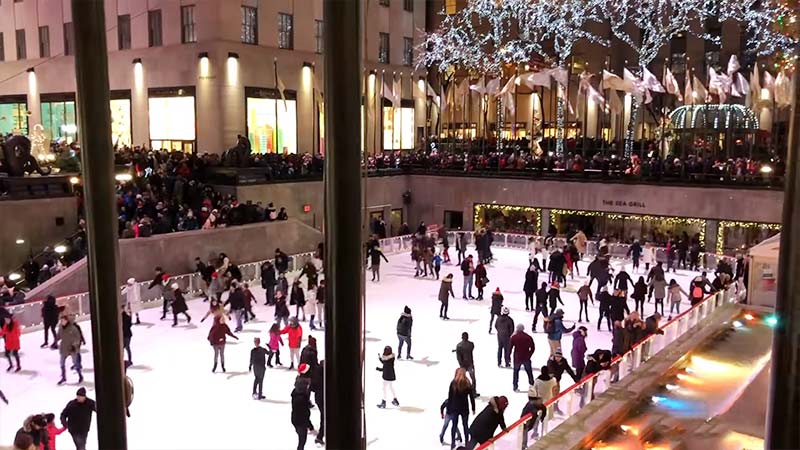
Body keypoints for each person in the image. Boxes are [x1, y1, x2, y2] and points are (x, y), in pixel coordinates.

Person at [443, 368, 476, 448]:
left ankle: (453, 443)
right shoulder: (467, 383)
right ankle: (467, 442)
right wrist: (473, 408)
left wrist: (449, 409)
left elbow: (450, 397)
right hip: (464, 408)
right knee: (465, 425)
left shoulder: (453, 383)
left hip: (455, 408)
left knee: (454, 426)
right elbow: (471, 397)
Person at [546, 350, 578, 415]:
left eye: (559, 357)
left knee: (556, 394)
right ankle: (550, 409)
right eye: (556, 357)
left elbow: (568, 369)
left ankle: (555, 407)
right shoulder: (550, 362)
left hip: (557, 380)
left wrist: (575, 378)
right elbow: (553, 372)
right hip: (550, 380)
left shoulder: (563, 361)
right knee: (551, 394)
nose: (558, 358)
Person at [57, 314, 84, 385]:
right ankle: (63, 377)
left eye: (63, 320)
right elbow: (59, 336)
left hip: (72, 349)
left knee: (76, 363)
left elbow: (78, 338)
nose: (62, 322)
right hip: (64, 348)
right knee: (62, 363)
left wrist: (74, 345)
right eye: (61, 321)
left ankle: (80, 375)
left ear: (66, 321)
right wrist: (55, 341)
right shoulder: (60, 328)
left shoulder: (73, 328)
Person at [290, 370, 313, 450]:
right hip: (300, 422)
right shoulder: (301, 399)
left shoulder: (296, 394)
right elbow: (304, 414)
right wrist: (309, 425)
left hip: (296, 420)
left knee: (301, 440)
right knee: (302, 441)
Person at [509, 324, 534, 392]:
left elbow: (510, 348)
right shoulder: (528, 337)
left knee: (516, 372)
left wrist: (508, 357)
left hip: (517, 357)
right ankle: (532, 384)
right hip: (526, 357)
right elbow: (533, 347)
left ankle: (515, 386)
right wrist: (529, 354)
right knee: (529, 371)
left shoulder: (514, 337)